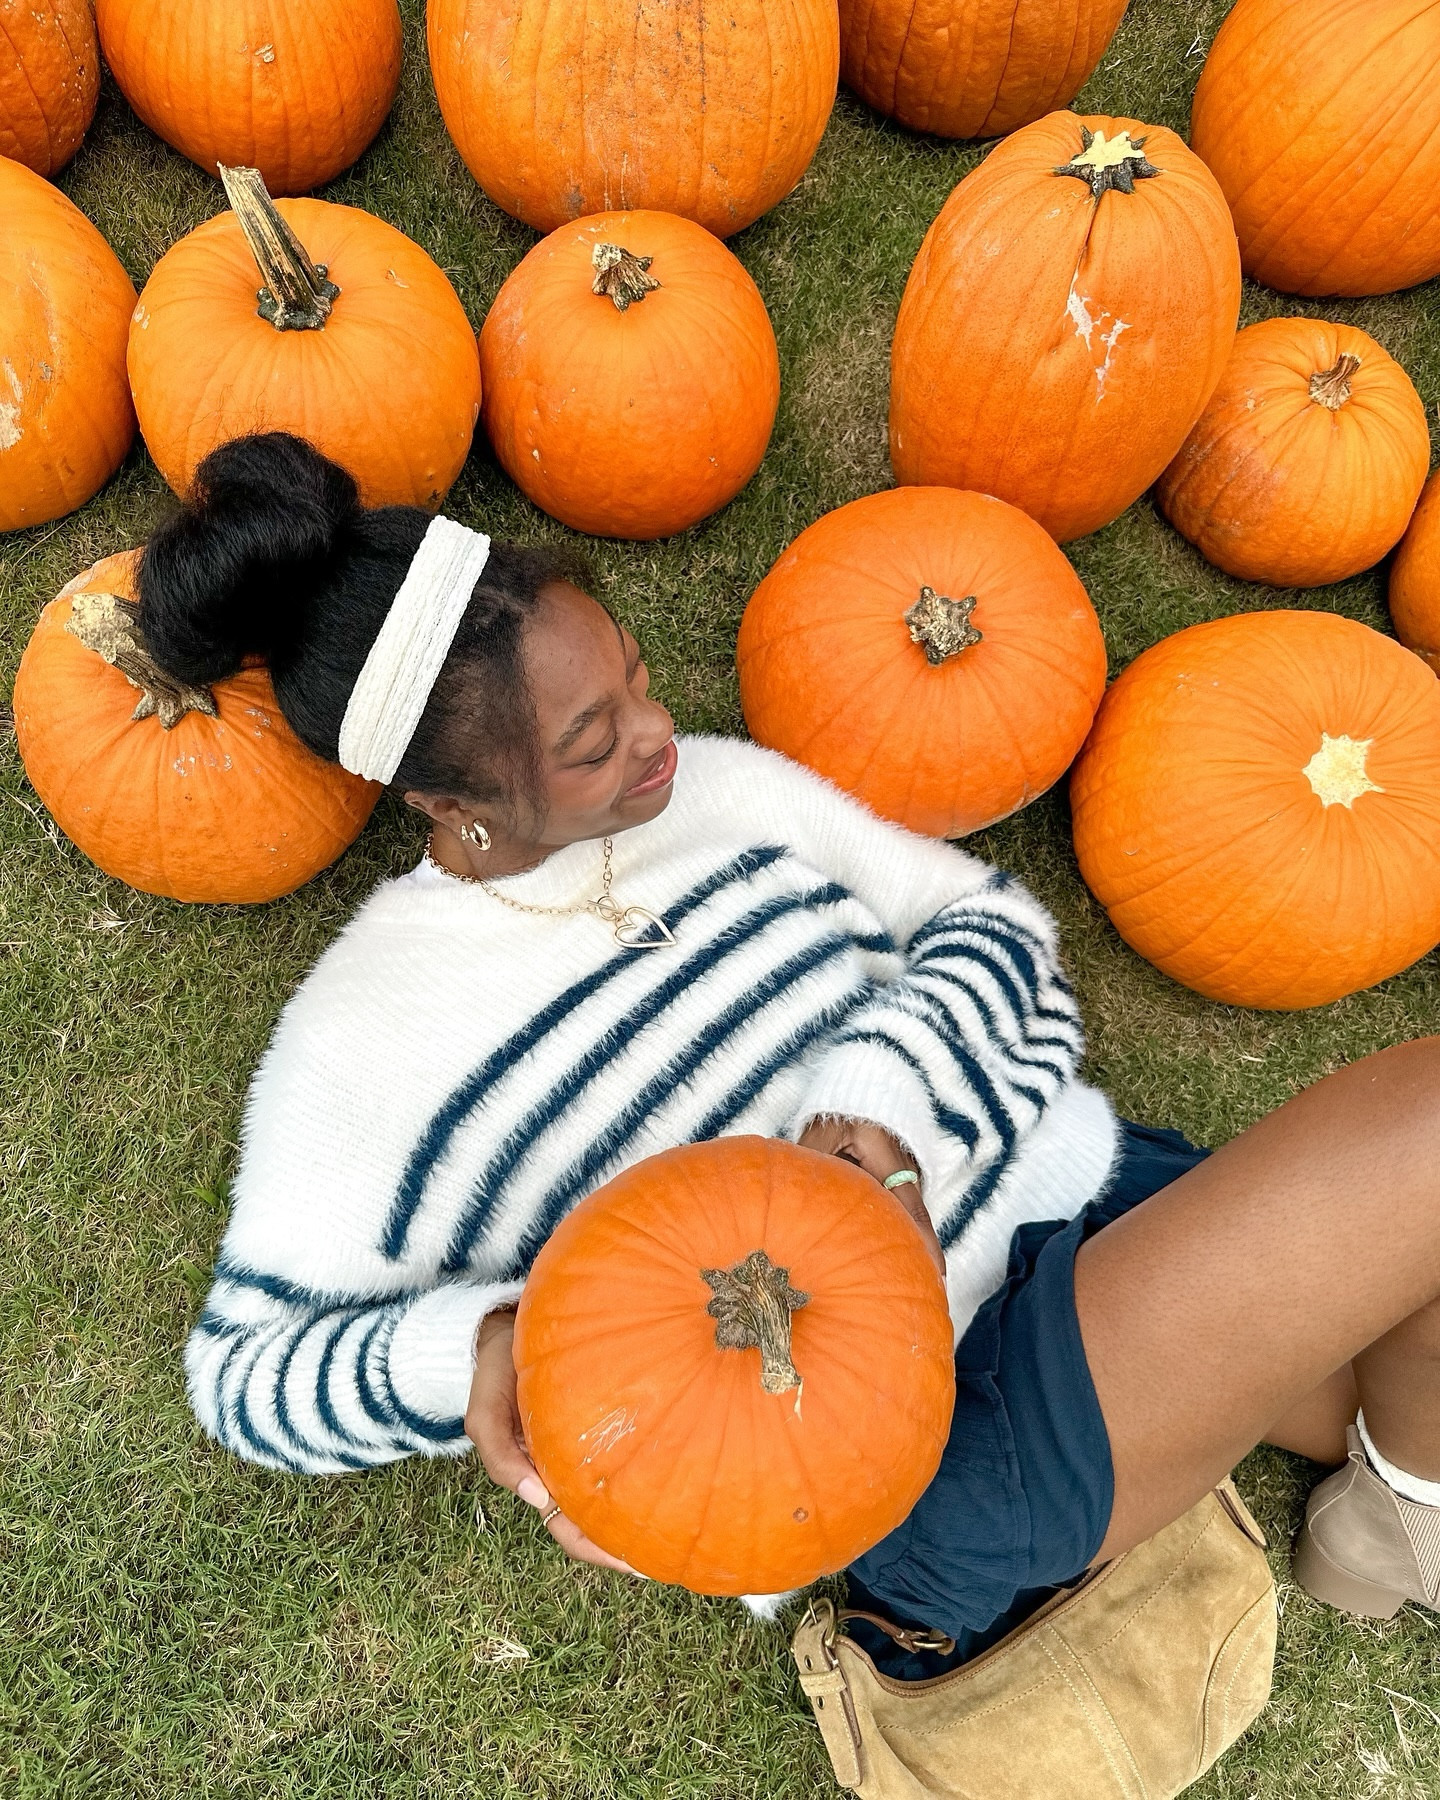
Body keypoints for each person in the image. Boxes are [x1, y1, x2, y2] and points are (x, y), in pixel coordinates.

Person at [155, 433, 1440, 1671]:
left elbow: (987, 922)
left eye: (638, 681)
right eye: (591, 743)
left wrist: (874, 1109)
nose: (657, 737)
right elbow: (244, 1376)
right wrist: (483, 1349)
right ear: (446, 802)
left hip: (1098, 1203)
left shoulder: (722, 789)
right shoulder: (361, 1043)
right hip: (925, 1431)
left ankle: (1387, 1528)